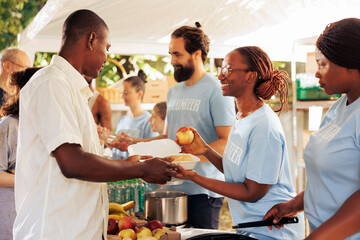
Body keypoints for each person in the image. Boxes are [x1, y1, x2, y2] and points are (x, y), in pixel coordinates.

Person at [13, 9, 177, 240]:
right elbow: (72, 162)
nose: (107, 58)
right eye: (106, 48)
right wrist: (140, 169)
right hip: (53, 231)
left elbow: (83, 158)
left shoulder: (71, 88)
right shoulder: (52, 83)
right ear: (91, 40)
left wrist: (133, 165)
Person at [110, 23, 235, 229]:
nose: (172, 61)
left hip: (203, 192)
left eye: (177, 54)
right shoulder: (174, 92)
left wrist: (187, 159)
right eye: (171, 54)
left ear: (196, 54)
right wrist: (136, 143)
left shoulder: (216, 89)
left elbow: (226, 141)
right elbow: (168, 138)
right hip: (171, 189)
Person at [176, 46, 305, 239]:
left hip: (273, 231)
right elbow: (236, 172)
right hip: (251, 228)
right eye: (221, 70)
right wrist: (205, 150)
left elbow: (252, 191)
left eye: (228, 70)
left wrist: (196, 178)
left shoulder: (264, 126)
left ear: (250, 76)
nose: (220, 76)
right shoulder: (242, 116)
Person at [264, 18, 360, 240]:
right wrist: (293, 205)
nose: (316, 73)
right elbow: (330, 180)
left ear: (349, 62)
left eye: (322, 64)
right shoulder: (338, 108)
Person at [0, 67, 41, 240]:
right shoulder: (9, 125)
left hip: (33, 215)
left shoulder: (44, 126)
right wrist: (32, 177)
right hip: (9, 214)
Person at [112, 70, 159, 159]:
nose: (122, 96)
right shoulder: (123, 120)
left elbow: (152, 152)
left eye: (126, 93)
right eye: (121, 93)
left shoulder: (148, 121)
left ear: (139, 94)